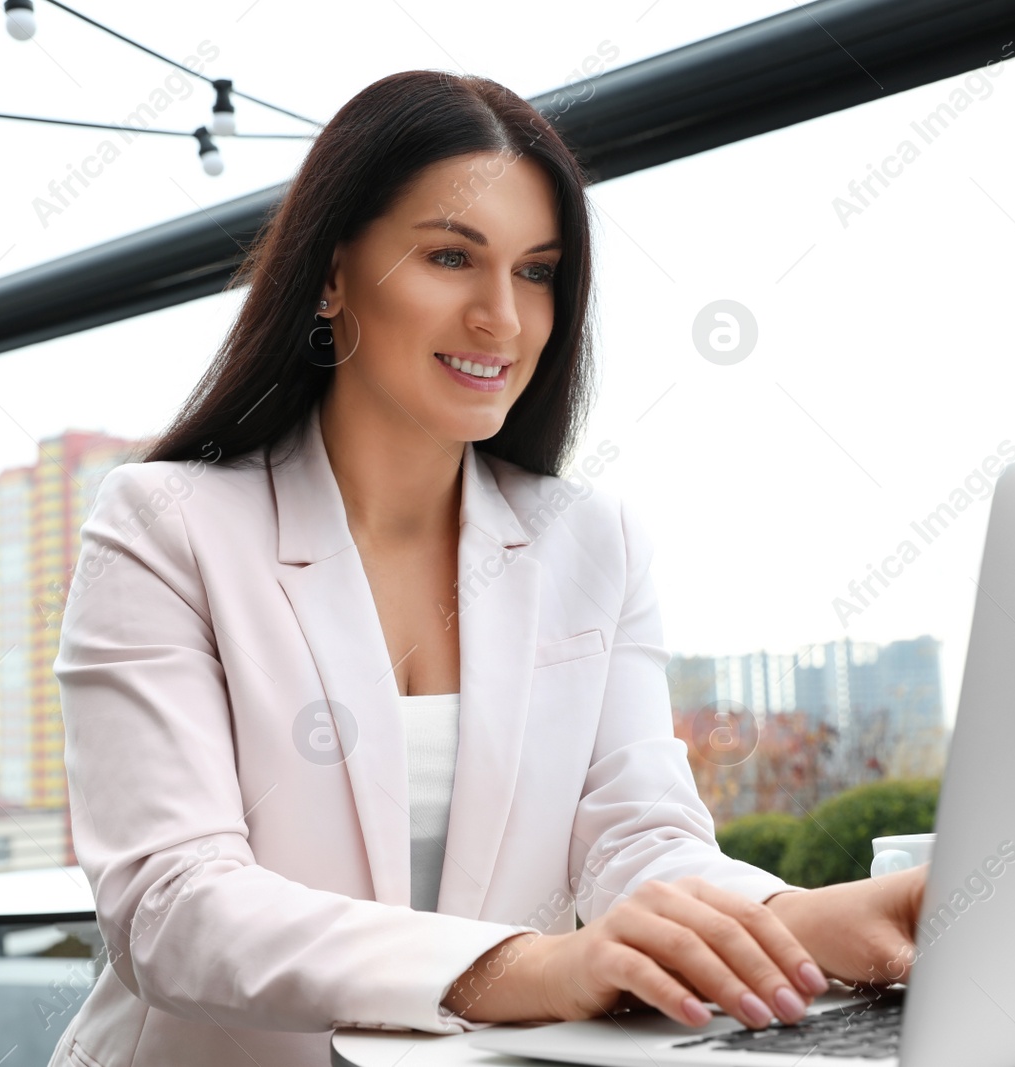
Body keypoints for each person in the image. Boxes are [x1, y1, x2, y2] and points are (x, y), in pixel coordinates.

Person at [45, 69, 926, 1067]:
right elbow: (174, 904)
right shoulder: (165, 527)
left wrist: (800, 920)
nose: (501, 317)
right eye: (451, 256)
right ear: (330, 274)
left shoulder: (593, 540)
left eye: (536, 270)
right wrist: (530, 967)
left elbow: (636, 839)